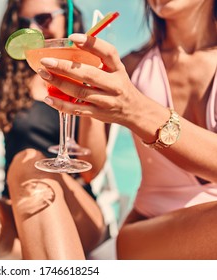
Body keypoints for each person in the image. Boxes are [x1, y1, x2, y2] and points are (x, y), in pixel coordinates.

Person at [37, 0, 217, 259]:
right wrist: (86, 93)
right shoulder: (131, 66)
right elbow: (89, 168)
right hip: (148, 231)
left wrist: (137, 110)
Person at [0, 0, 105, 260]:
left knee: (27, 162)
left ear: (68, 19)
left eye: (45, 19)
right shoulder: (4, 83)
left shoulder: (89, 75)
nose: (35, 30)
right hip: (17, 208)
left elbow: (92, 168)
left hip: (77, 209)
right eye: (25, 24)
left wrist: (90, 97)